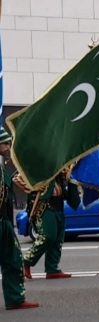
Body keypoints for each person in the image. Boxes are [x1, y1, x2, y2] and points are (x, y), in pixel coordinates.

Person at [13, 165, 80, 280]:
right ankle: (26, 261)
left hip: (58, 206)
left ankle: (52, 268)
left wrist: (69, 173)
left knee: (58, 239)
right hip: (44, 207)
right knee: (48, 236)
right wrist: (34, 188)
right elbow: (17, 178)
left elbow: (68, 179)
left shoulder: (59, 167)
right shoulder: (37, 165)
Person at [0, 127, 39, 310]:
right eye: (5, 144)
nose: (8, 147)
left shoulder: (2, 168)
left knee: (13, 259)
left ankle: (15, 298)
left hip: (5, 221)